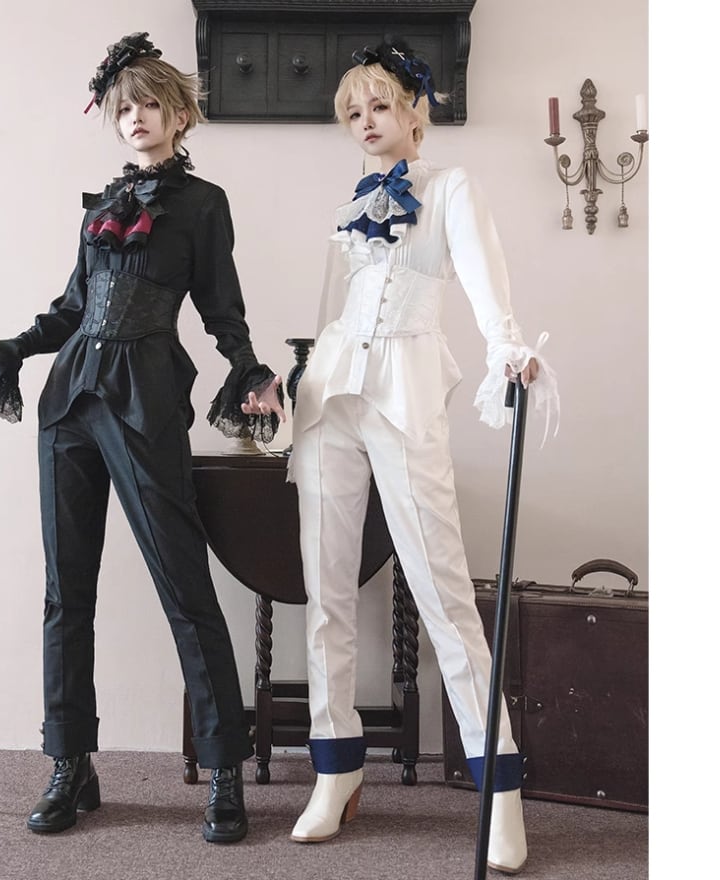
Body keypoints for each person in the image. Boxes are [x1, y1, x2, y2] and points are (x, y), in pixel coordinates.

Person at [0, 32, 285, 843]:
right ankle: (70, 762)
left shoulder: (203, 205)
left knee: (183, 583)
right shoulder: (101, 205)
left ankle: (224, 768)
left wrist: (247, 368)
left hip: (145, 398)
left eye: (151, 104)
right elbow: (72, 309)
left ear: (179, 113)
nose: (136, 117)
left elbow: (222, 308)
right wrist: (12, 347)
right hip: (71, 401)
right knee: (65, 591)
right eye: (125, 106)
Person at [286, 39, 560, 873]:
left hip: (404, 391)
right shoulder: (350, 205)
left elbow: (483, 279)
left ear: (414, 111)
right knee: (327, 590)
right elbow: (330, 312)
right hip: (331, 397)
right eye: (353, 112)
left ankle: (499, 787)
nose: (366, 122)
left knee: (443, 591)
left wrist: (507, 348)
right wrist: (293, 383)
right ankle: (335, 769)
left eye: (379, 106)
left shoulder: (450, 188)